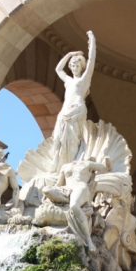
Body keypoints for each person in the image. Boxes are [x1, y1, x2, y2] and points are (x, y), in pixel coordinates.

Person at [51, 30, 97, 172]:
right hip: (64, 112)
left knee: (72, 142)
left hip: (77, 110)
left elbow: (91, 61)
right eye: (72, 65)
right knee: (57, 140)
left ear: (81, 67)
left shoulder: (84, 80)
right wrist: (69, 55)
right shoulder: (68, 81)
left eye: (77, 65)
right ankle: (57, 168)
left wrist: (92, 41)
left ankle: (69, 167)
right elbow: (58, 69)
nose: (74, 68)